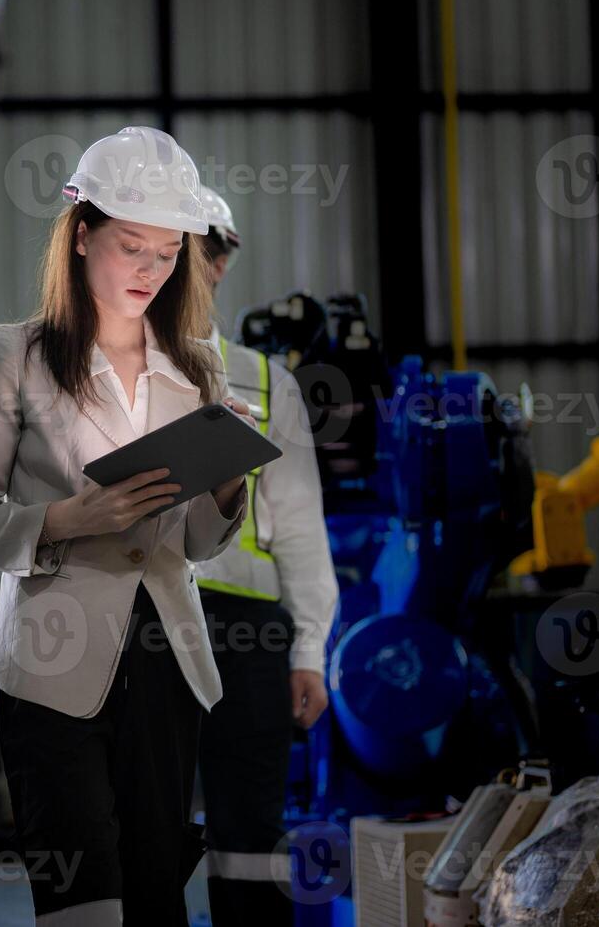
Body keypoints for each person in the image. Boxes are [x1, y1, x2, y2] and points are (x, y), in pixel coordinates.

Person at [0, 126, 253, 926]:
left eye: (167, 251)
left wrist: (223, 485)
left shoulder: (197, 369)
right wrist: (66, 519)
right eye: (130, 247)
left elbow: (193, 547)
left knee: (155, 900)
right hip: (50, 665)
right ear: (81, 236)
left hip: (165, 664)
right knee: (83, 905)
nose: (150, 270)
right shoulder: (14, 356)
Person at [193, 185, 339, 927]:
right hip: (132, 623)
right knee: (138, 827)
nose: (203, 265)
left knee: (249, 833)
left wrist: (309, 647)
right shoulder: (104, 375)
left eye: (211, 250)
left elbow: (301, 523)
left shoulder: (260, 380)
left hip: (244, 630)